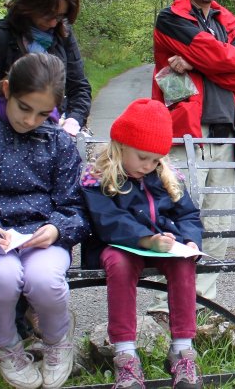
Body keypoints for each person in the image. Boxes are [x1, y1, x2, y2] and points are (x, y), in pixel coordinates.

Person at [0, 53, 89, 389]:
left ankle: (56, 340)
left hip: (41, 236)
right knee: (3, 277)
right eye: (24, 108)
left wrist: (56, 229)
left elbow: (74, 205)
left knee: (44, 280)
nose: (30, 120)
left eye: (42, 113)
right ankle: (5, 343)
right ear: (7, 90)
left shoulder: (58, 141)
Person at [80, 98, 205, 389]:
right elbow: (107, 221)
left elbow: (188, 214)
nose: (148, 166)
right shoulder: (98, 177)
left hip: (161, 245)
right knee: (120, 264)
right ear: (120, 145)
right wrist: (145, 240)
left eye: (155, 159)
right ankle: (125, 355)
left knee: (184, 260)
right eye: (142, 157)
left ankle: (183, 350)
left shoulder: (163, 175)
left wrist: (188, 240)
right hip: (120, 246)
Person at [151, 0, 235, 306]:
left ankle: (204, 302)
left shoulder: (225, 21)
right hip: (184, 135)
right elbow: (224, 59)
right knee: (174, 220)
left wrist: (197, 62)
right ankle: (163, 305)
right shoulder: (171, 18)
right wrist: (233, 58)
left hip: (227, 133)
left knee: (217, 222)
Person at [0, 0, 90, 136]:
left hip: (54, 133)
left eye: (60, 16)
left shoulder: (63, 34)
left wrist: (73, 120)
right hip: (2, 136)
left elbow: (79, 87)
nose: (53, 23)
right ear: (31, 4)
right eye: (48, 15)